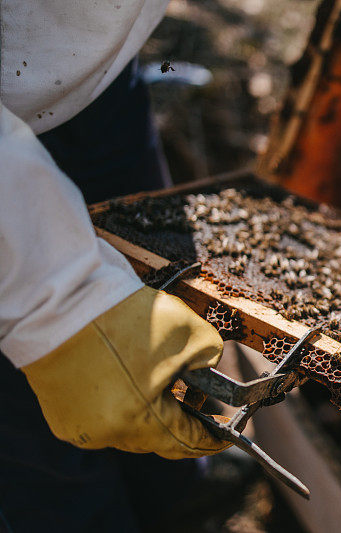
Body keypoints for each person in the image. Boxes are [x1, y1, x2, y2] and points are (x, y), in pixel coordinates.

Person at [1, 2, 231, 530]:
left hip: (102, 84)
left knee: (173, 358)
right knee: (41, 444)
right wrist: (56, 300)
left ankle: (179, 504)